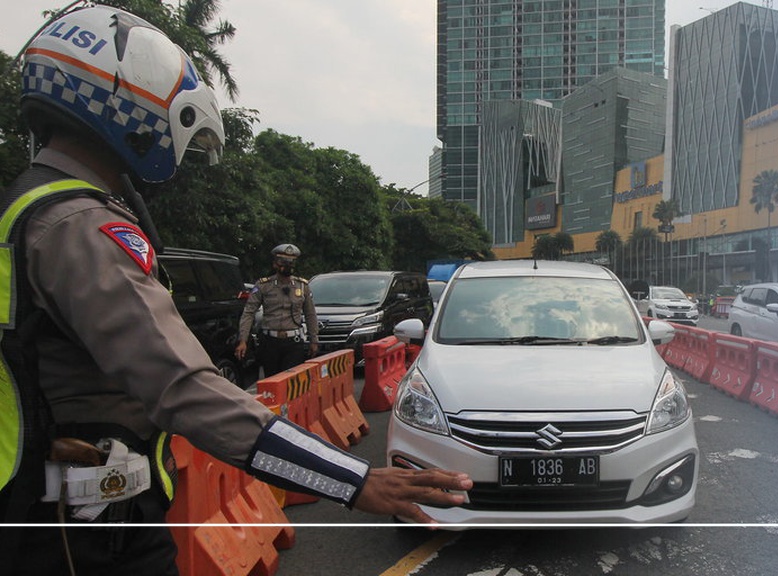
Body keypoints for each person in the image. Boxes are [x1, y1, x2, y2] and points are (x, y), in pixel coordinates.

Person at [0, 7, 470, 575]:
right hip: (81, 535)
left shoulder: (27, 210)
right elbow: (183, 387)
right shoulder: (78, 226)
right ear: (131, 109)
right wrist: (354, 477)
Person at [236, 244, 319, 376]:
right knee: (272, 381)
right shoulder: (264, 285)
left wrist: (314, 339)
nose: (288, 265)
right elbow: (249, 312)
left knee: (291, 382)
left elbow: (310, 314)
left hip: (293, 342)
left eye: (291, 262)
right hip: (270, 342)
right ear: (275, 264)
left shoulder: (302, 286)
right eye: (283, 262)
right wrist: (243, 340)